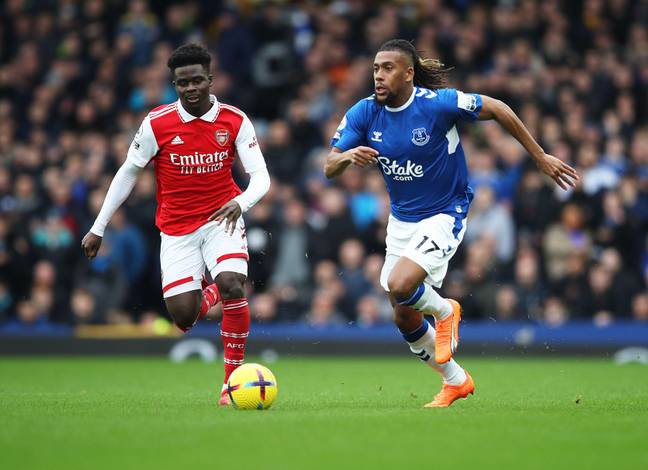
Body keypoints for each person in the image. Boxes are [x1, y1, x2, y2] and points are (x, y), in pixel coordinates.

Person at [325, 39, 578, 408]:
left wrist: (539, 157)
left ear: (409, 73)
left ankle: (446, 310)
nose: (378, 75)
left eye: (388, 68)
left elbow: (499, 107)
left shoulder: (438, 105)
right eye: (376, 68)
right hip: (402, 219)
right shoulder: (364, 112)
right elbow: (329, 166)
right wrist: (348, 155)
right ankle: (456, 381)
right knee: (402, 313)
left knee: (400, 283)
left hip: (445, 211)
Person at [82, 44, 271, 406]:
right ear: (175, 84)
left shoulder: (234, 120)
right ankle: (213, 288)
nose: (190, 88)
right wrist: (98, 226)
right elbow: (128, 173)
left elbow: (261, 177)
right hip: (177, 229)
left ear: (210, 80)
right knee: (184, 317)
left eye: (197, 80)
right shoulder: (157, 124)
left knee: (232, 284)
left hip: (222, 218)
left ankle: (230, 384)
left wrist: (240, 202)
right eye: (182, 83)